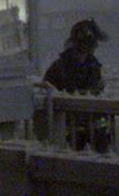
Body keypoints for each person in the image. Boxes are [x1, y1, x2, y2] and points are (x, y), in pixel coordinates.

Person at [42, 18, 111, 150]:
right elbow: (49, 95)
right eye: (92, 43)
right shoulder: (60, 68)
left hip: (95, 130)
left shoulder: (93, 65)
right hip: (71, 132)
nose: (95, 46)